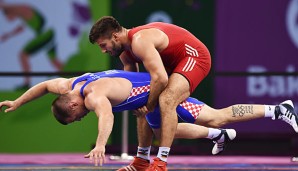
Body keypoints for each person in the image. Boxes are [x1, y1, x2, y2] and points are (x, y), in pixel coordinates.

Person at [0, 70, 297, 168]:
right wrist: (18, 101)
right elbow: (42, 86)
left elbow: (106, 119)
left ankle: (278, 109)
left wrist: (101, 144)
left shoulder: (93, 97)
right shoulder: (69, 86)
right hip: (150, 102)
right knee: (162, 130)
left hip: (165, 93)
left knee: (216, 117)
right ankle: (218, 138)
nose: (79, 121)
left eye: (75, 119)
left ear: (74, 107)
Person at [89, 16, 212, 170]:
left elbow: (160, 79)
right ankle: (141, 160)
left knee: (167, 99)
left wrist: (149, 105)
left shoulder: (139, 41)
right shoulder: (124, 52)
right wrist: (139, 103)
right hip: (173, 63)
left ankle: (161, 162)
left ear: (115, 36)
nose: (103, 51)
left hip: (194, 57)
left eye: (103, 45)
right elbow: (132, 84)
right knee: (142, 101)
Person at [0, 2, 63, 90]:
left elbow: (21, 9)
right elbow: (21, 28)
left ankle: (27, 83)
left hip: (45, 34)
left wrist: (3, 6)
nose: (10, 20)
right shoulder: (22, 15)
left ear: (10, 12)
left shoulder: (21, 9)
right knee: (55, 61)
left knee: (23, 55)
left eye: (9, 17)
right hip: (49, 33)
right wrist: (8, 35)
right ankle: (77, 78)